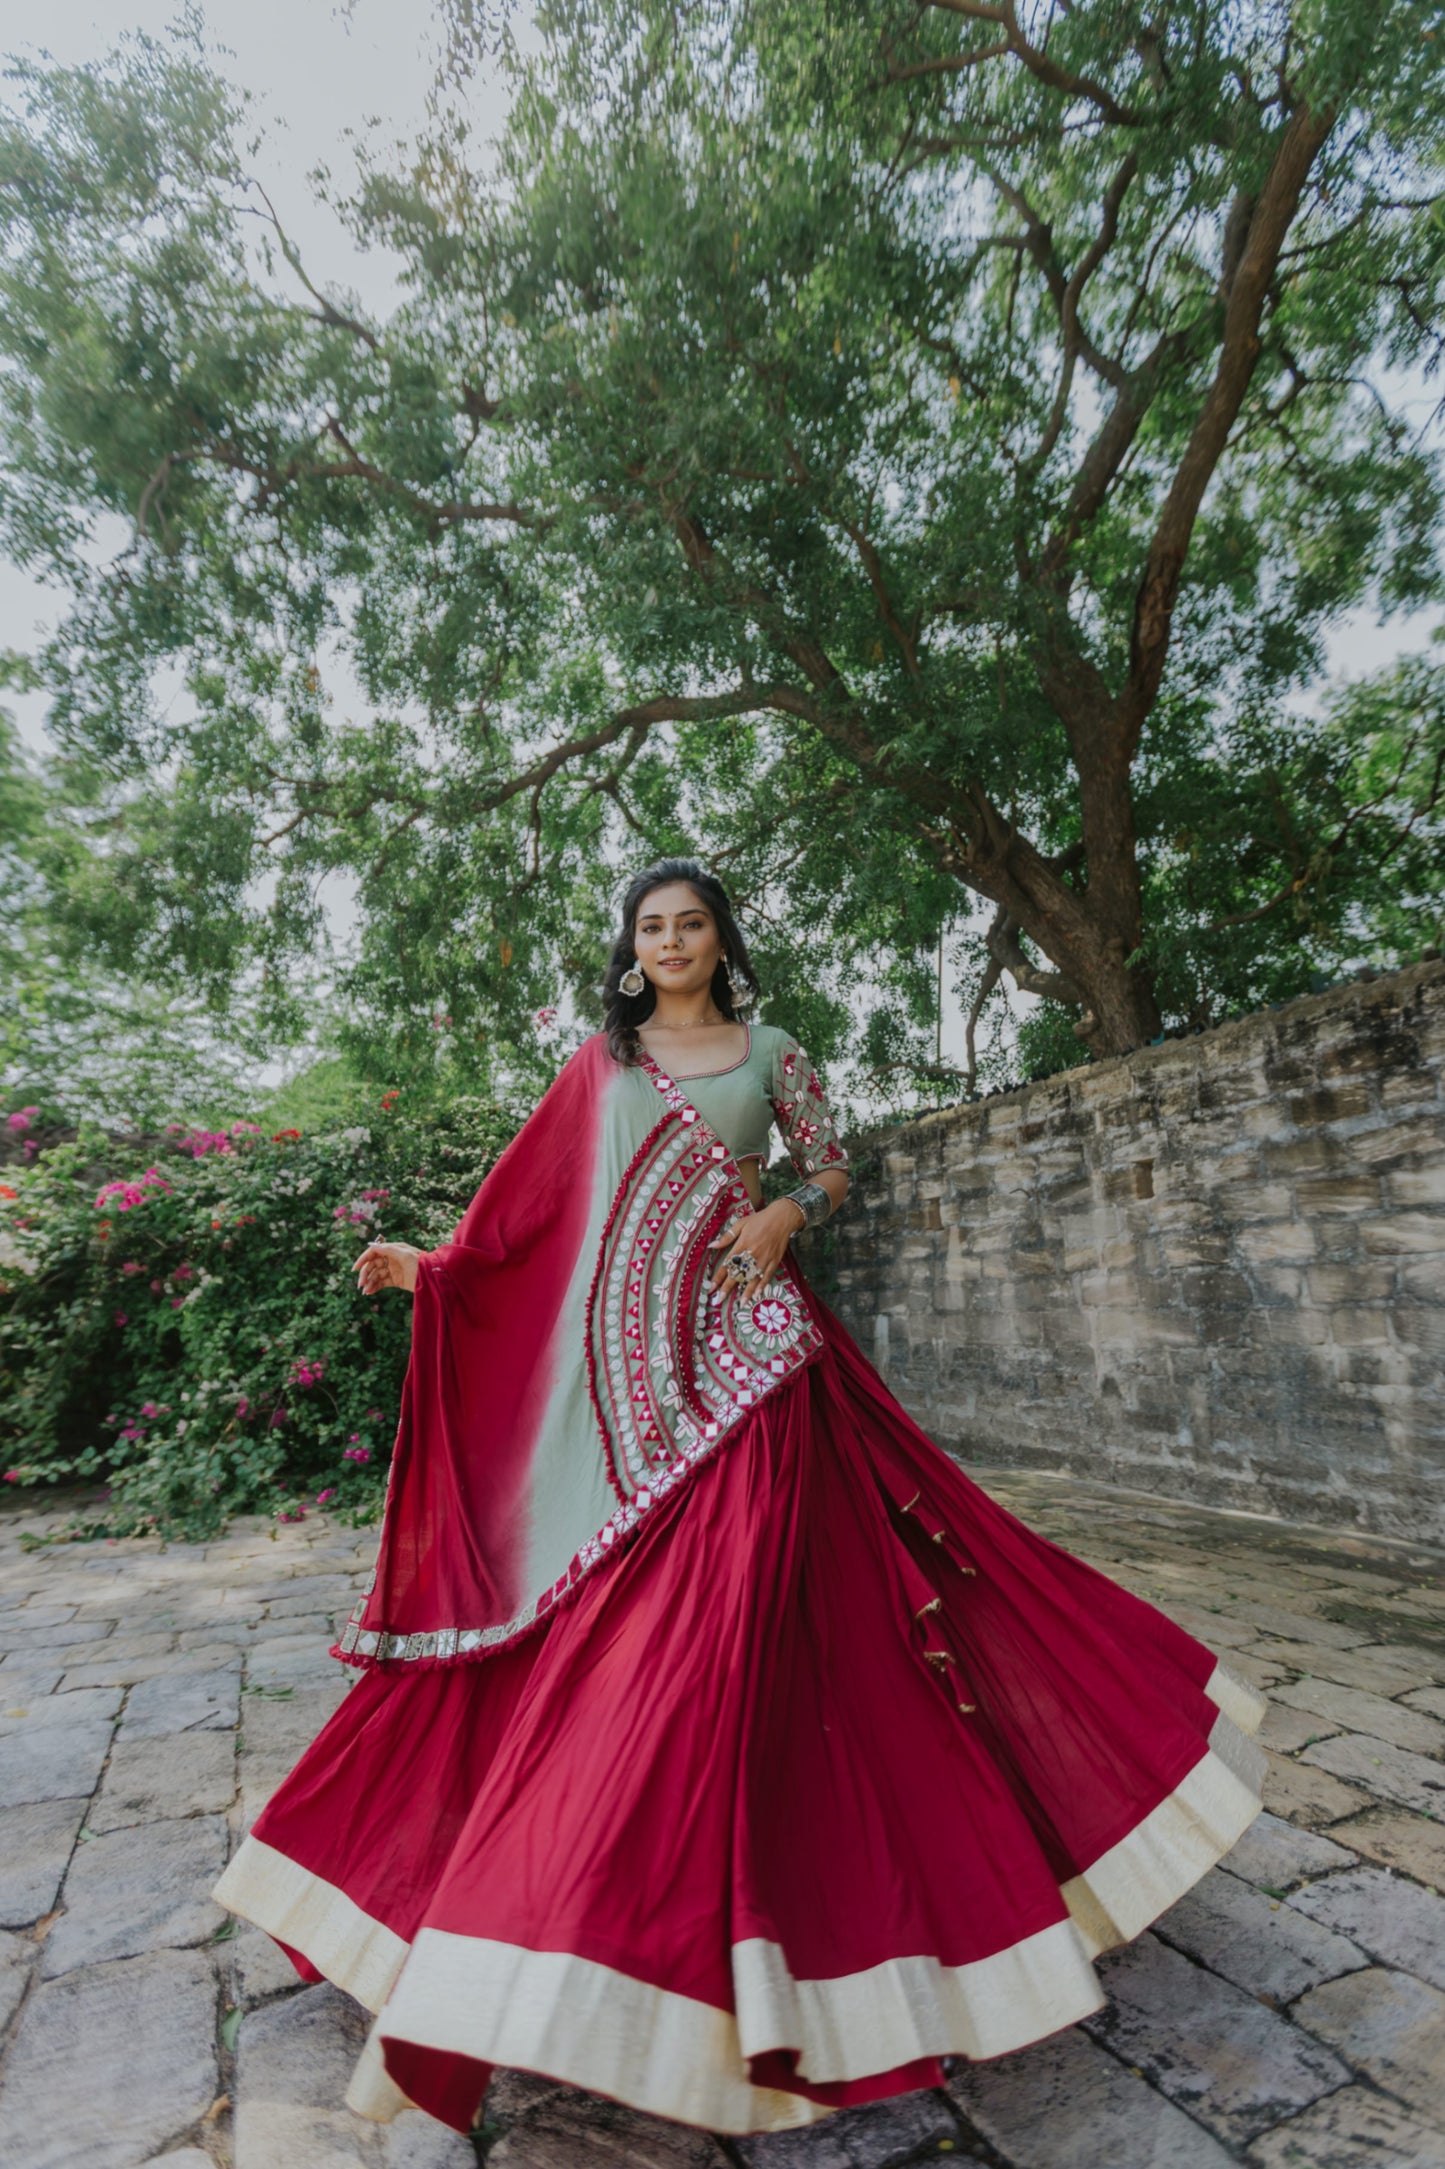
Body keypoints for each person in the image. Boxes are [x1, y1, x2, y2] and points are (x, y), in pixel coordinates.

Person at [214, 856, 1265, 2140]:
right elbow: (531, 1219)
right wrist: (439, 1267)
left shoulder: (775, 1049)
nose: (669, 942)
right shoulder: (599, 1067)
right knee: (621, 1639)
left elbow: (833, 1169)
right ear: (630, 946)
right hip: (631, 1401)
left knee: (767, 1631)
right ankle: (560, 1936)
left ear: (720, 940)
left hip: (760, 1375)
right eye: (649, 927)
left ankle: (774, 1940)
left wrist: (782, 1213)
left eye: (689, 924)